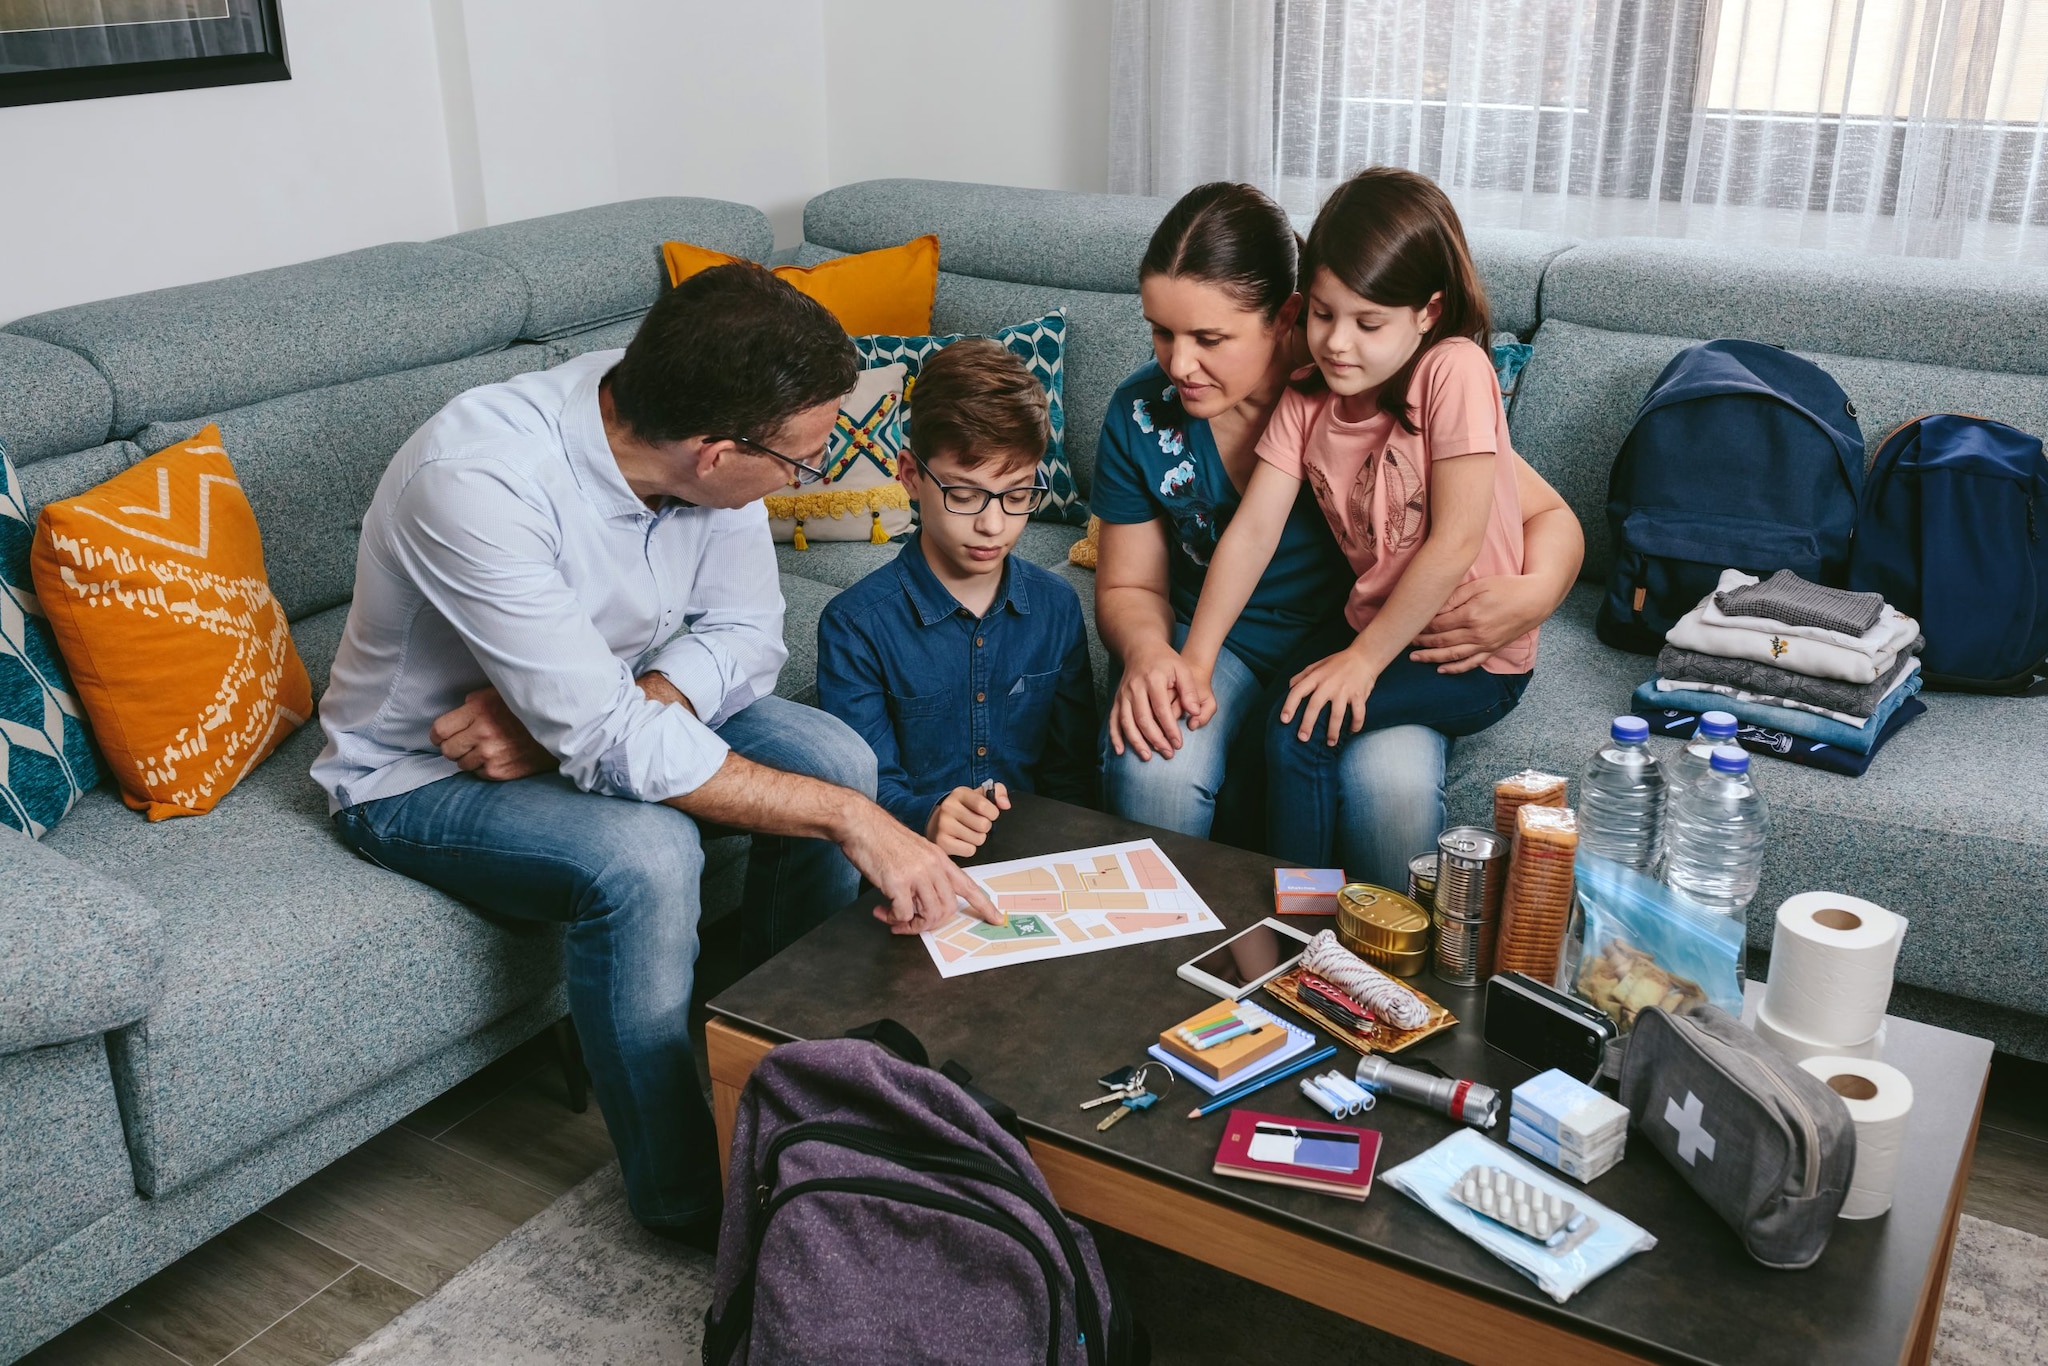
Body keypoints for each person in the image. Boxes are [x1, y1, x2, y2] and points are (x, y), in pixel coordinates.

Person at [310, 263, 1000, 1249]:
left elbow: (750, 631)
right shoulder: (475, 480)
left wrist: (598, 707)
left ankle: (783, 1081)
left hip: (611, 695)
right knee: (649, 861)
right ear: (717, 456)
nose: (806, 476)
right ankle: (685, 1200)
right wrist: (853, 823)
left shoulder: (687, 417)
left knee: (834, 756)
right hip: (415, 775)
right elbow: (601, 738)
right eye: (801, 462)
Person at [1092, 180, 1583, 884]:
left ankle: (1360, 956)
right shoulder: (1263, 401)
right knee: (1177, 763)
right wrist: (1174, 659)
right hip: (1278, 637)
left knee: (1372, 778)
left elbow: (1521, 515)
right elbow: (1194, 557)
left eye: (1210, 338)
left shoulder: (1404, 379)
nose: (1178, 364)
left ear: (1282, 316)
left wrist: (1536, 593)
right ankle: (1221, 948)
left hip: (1403, 641)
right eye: (1161, 331)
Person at [818, 340, 1098, 858]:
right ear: (910, 477)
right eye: (964, 495)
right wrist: (927, 816)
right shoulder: (855, 625)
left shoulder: (1057, 606)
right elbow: (862, 788)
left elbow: (1072, 774)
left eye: (1016, 496)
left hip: (1038, 863)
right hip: (909, 860)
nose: (993, 524)